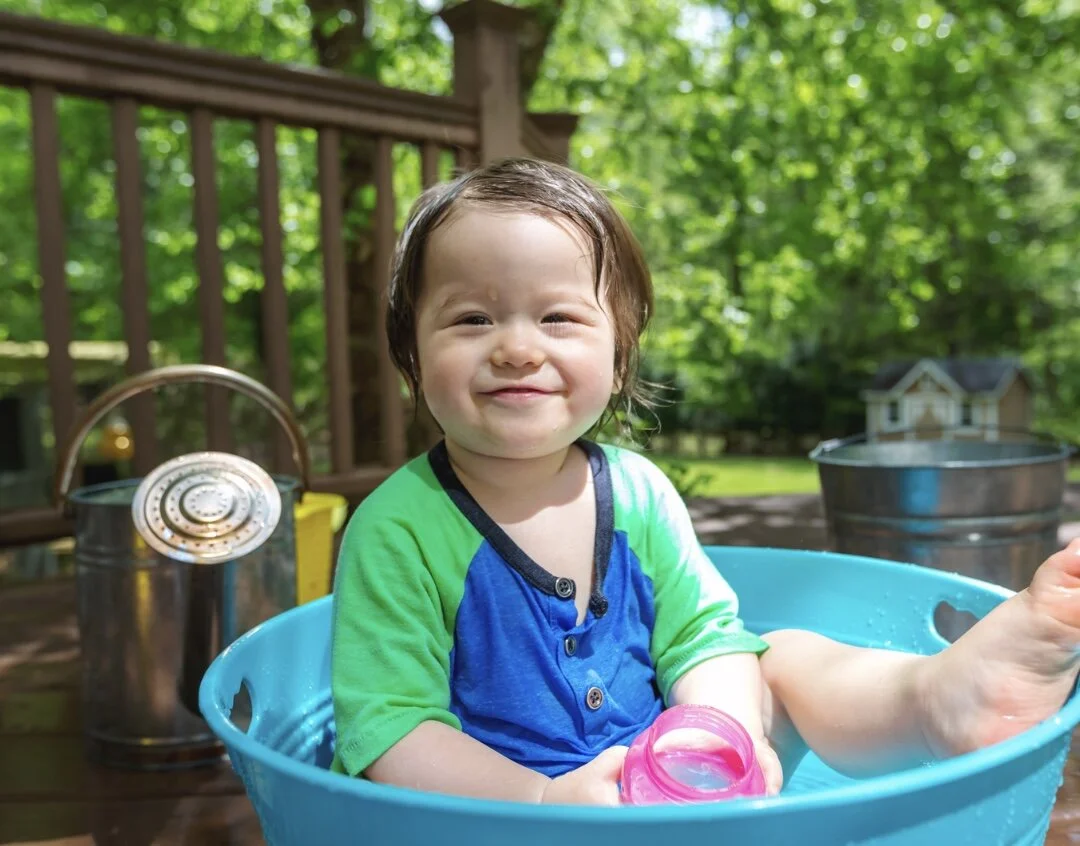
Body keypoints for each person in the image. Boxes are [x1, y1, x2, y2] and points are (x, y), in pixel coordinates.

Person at [329, 156, 1080, 805]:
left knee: (774, 657)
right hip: (487, 812)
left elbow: (700, 637)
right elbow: (390, 735)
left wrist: (723, 733)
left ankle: (937, 701)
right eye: (470, 320)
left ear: (619, 357)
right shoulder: (398, 528)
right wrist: (544, 798)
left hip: (656, 783)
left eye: (558, 318)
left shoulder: (639, 494)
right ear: (411, 355)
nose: (519, 349)